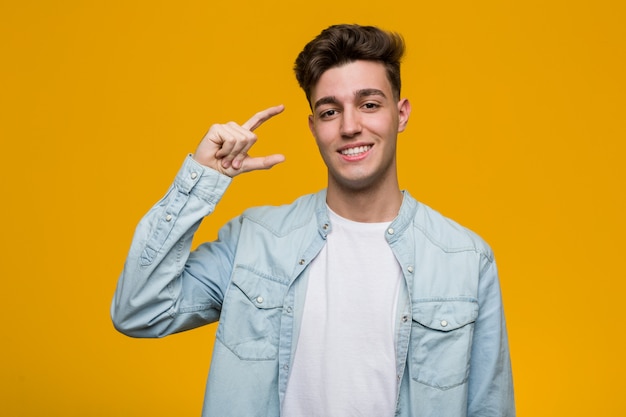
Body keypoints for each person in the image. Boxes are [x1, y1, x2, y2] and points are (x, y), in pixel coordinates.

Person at [111, 24, 515, 417]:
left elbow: (489, 407)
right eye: (329, 111)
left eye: (370, 104)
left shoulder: (464, 259)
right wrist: (201, 179)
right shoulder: (255, 241)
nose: (350, 126)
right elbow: (140, 309)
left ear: (401, 114)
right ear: (313, 127)